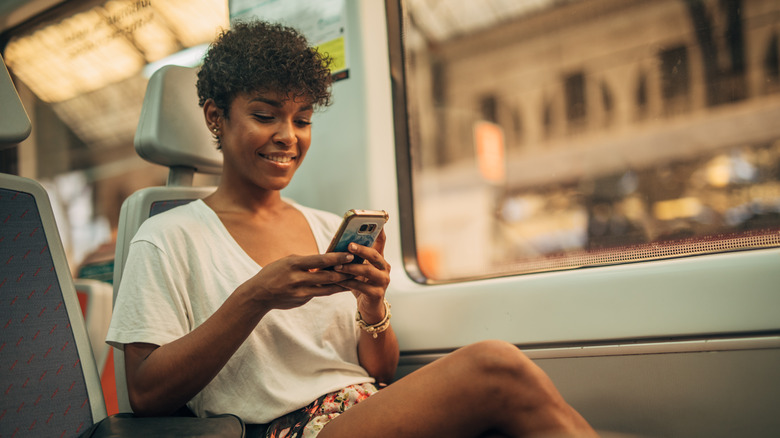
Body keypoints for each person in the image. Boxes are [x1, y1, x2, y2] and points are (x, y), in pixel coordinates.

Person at [106, 20, 597, 438]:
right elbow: (146, 394)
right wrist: (255, 296)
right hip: (288, 428)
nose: (288, 137)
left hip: (363, 409)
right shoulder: (168, 237)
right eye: (264, 115)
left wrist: (372, 304)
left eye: (302, 119)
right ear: (216, 116)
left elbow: (380, 370)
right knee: (495, 366)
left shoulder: (323, 226)